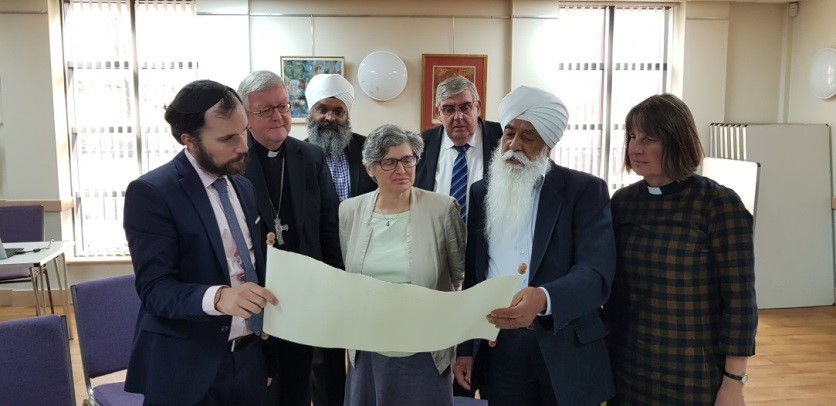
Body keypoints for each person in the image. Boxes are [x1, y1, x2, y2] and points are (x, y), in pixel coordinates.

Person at [453, 86, 616, 405]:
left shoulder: (584, 191)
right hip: (500, 349)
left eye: (529, 137)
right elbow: (475, 276)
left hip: (564, 345)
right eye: (509, 134)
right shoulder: (481, 192)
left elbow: (595, 273)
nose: (514, 145)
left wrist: (544, 298)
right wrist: (466, 348)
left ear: (549, 144)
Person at [123, 79, 279, 405]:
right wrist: (219, 298)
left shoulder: (243, 187)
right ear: (189, 140)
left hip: (249, 358)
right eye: (227, 138)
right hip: (186, 368)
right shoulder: (153, 193)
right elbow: (155, 290)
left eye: (243, 132)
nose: (244, 146)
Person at [605, 93, 757, 405]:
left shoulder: (718, 204)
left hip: (691, 370)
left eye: (649, 139)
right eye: (632, 136)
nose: (635, 148)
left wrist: (733, 382)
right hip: (628, 364)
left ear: (677, 141)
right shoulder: (622, 203)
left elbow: (740, 301)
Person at [339, 124, 465, 406]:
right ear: (370, 168)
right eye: (390, 162)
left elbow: (459, 274)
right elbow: (351, 273)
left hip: (425, 349)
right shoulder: (349, 211)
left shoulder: (442, 209)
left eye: (408, 160)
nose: (402, 169)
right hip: (368, 347)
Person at [237, 70, 343, 406]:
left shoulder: (310, 156)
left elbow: (329, 227)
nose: (278, 116)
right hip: (254, 299)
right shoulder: (234, 161)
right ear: (245, 116)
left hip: (302, 296)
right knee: (261, 391)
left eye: (283, 106)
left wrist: (334, 285)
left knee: (297, 385)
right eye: (265, 110)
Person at [414, 75, 502, 225]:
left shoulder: (503, 138)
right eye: (448, 109)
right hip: (435, 235)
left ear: (478, 107)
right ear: (438, 113)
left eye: (465, 107)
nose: (458, 117)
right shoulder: (420, 145)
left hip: (488, 236)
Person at [305, 73, 377, 201]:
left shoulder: (369, 147)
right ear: (311, 113)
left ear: (347, 116)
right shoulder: (298, 155)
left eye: (338, 112)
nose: (330, 118)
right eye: (322, 110)